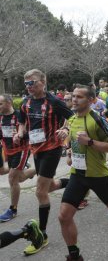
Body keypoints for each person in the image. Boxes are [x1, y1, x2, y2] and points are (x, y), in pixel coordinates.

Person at [59, 85, 108, 261]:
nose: (74, 99)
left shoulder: (96, 119)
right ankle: (74, 254)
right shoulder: (72, 119)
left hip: (98, 175)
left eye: (79, 97)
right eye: (73, 96)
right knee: (64, 215)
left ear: (90, 100)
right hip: (78, 174)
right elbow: (72, 139)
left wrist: (89, 142)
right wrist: (67, 144)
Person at [14, 69, 73, 255]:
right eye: (26, 84)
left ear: (43, 81)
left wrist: (65, 129)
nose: (28, 87)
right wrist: (20, 132)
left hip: (52, 149)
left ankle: (42, 235)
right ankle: (75, 183)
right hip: (36, 150)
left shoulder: (54, 101)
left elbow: (72, 118)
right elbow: (22, 121)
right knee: (48, 187)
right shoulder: (26, 102)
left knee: (40, 191)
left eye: (32, 83)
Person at [0, 95, 36, 222]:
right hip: (8, 151)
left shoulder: (19, 116)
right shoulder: (1, 117)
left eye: (0, 104)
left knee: (12, 179)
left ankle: (13, 209)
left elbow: (31, 132)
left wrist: (21, 135)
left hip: (21, 150)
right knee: (19, 178)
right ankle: (36, 170)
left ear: (9, 102)